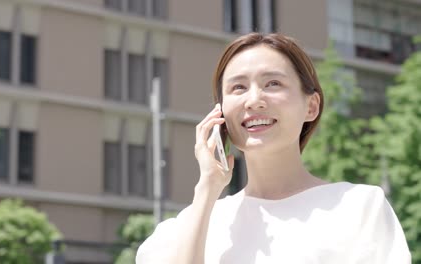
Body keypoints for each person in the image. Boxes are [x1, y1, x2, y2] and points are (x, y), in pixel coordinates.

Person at [135, 33, 411, 264]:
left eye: (273, 83)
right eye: (238, 87)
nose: (254, 100)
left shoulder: (359, 207)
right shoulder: (185, 227)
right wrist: (207, 189)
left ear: (311, 106)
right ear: (219, 112)